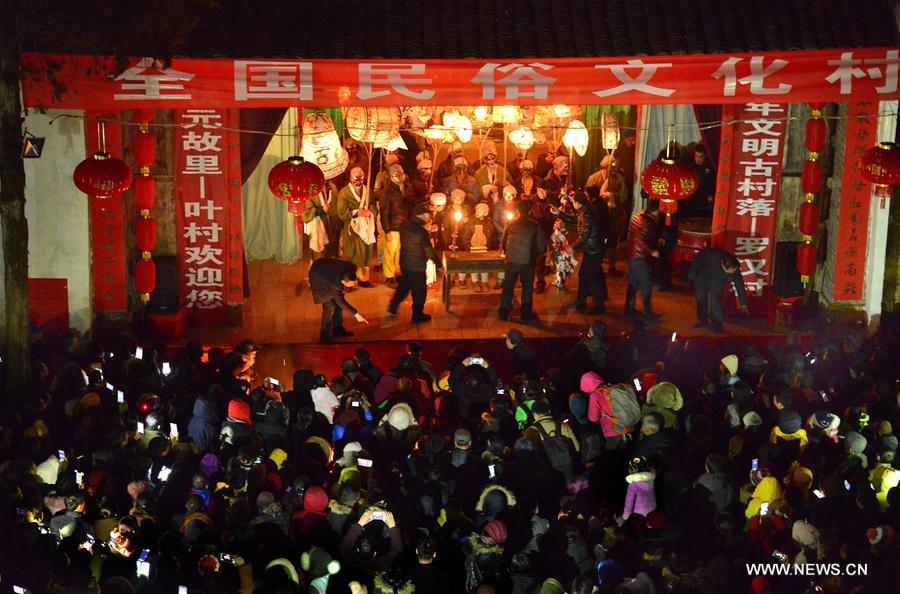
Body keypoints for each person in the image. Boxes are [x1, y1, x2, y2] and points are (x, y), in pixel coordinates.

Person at [498, 200, 545, 323]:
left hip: (511, 260)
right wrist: (538, 255)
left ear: (517, 210)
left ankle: (504, 311)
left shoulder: (510, 224)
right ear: (529, 211)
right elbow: (541, 246)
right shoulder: (535, 225)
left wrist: (508, 252)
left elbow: (503, 242)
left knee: (508, 285)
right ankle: (525, 312)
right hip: (527, 261)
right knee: (527, 286)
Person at [388, 204, 435, 323]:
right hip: (417, 266)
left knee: (404, 286)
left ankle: (393, 307)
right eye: (426, 215)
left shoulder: (404, 225)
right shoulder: (421, 232)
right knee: (419, 291)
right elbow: (429, 251)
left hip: (405, 263)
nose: (428, 218)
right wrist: (439, 264)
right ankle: (417, 315)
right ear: (420, 216)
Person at [563, 190, 608, 313]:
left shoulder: (587, 215)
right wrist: (561, 215)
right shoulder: (585, 211)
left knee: (591, 278)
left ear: (577, 203)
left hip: (593, 251)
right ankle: (581, 301)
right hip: (591, 250)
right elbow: (577, 223)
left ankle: (600, 306)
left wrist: (572, 247)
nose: (573, 204)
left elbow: (584, 236)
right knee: (583, 275)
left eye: (573, 202)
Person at [688, 247, 749, 333]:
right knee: (701, 297)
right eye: (730, 271)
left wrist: (743, 303)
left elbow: (739, 284)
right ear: (723, 265)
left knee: (715, 300)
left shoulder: (734, 266)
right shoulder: (710, 255)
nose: (732, 273)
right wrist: (692, 274)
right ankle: (702, 320)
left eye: (733, 271)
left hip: (718, 280)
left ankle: (717, 324)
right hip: (702, 275)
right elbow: (697, 259)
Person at [308, 257, 368, 343]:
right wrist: (356, 315)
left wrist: (348, 287)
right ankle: (325, 336)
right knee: (330, 307)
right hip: (318, 278)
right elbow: (341, 301)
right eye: (351, 284)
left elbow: (343, 294)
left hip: (325, 266)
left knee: (338, 306)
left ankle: (338, 330)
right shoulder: (335, 284)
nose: (353, 285)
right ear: (343, 282)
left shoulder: (351, 268)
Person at [337, 167, 376, 286]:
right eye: (356, 178)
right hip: (353, 229)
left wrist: (370, 211)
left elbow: (373, 204)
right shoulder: (344, 193)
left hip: (367, 226)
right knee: (354, 254)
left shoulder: (367, 190)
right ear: (350, 178)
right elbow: (341, 213)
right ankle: (350, 280)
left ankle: (364, 279)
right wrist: (357, 212)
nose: (359, 181)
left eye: (361, 178)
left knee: (366, 252)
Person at [625, 200, 662, 321]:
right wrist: (652, 251)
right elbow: (640, 240)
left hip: (631, 254)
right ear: (656, 211)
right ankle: (647, 313)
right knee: (646, 285)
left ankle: (629, 309)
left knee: (633, 283)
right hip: (638, 257)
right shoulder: (647, 222)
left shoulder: (639, 215)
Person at [378, 164, 414, 287]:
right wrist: (387, 230)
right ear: (391, 176)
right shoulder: (387, 192)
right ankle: (389, 276)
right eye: (396, 174)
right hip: (393, 227)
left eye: (401, 174)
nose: (399, 177)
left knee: (401, 252)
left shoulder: (408, 188)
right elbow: (384, 212)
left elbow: (411, 206)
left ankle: (398, 273)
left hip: (405, 226)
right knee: (390, 253)